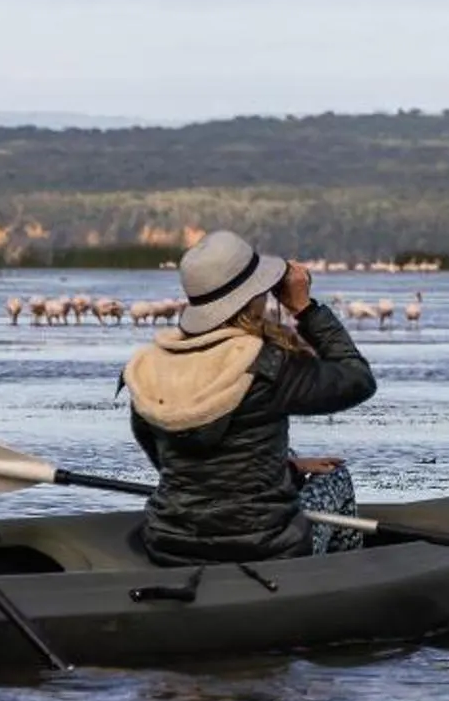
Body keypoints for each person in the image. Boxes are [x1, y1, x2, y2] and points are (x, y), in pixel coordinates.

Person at [123, 230, 375, 563]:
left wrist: (287, 467)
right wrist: (305, 308)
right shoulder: (267, 364)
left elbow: (173, 461)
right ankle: (338, 580)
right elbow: (357, 379)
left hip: (169, 544)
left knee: (287, 453)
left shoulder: (149, 367)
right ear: (255, 295)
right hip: (266, 550)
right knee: (336, 478)